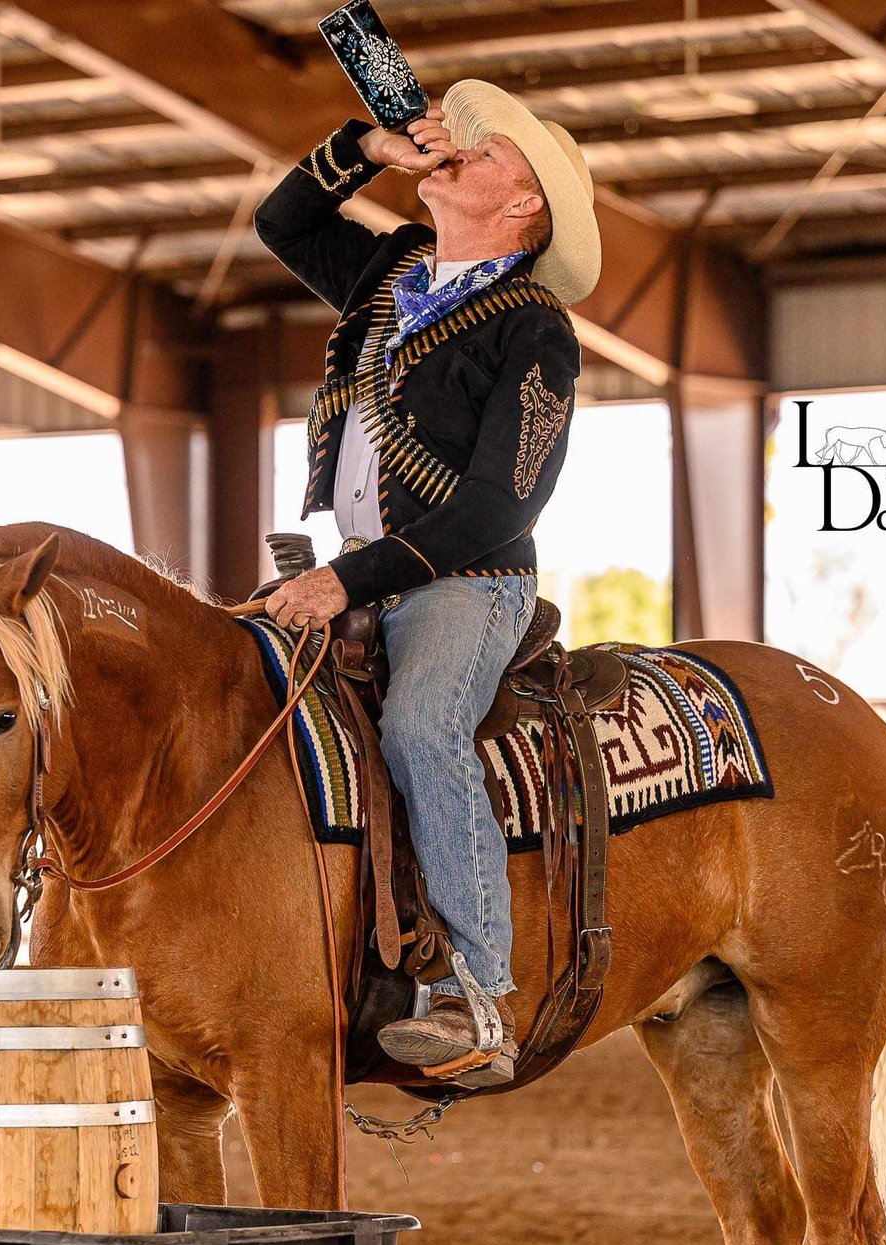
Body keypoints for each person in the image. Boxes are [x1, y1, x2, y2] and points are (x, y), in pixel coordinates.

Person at [255, 80, 601, 1086]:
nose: (463, 150)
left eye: (490, 153)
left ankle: (477, 995)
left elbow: (500, 508)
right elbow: (284, 221)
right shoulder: (393, 267)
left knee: (418, 728)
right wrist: (367, 148)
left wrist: (347, 579)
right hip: (355, 574)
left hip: (467, 581)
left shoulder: (535, 329)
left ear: (525, 204)